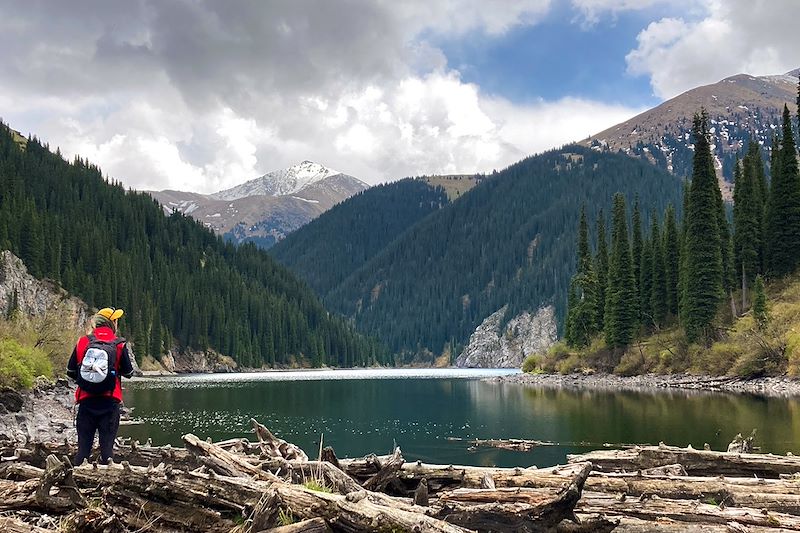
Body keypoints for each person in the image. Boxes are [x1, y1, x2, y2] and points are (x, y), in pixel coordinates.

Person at [66, 307, 134, 465]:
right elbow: (129, 372)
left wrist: (88, 378)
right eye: (116, 320)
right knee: (107, 451)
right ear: (112, 323)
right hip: (110, 403)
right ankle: (104, 486)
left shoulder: (83, 341)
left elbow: (70, 371)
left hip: (86, 401)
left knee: (83, 450)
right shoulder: (119, 344)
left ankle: (75, 481)